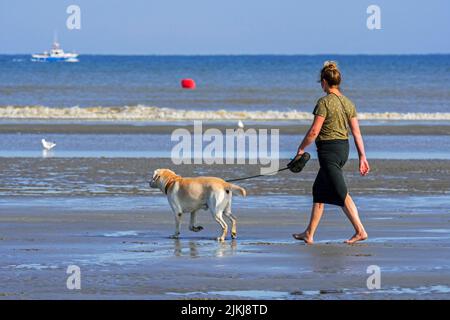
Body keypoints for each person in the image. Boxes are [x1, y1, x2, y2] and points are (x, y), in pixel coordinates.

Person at [292, 61, 370, 245]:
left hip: (329, 152)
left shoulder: (324, 102)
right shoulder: (348, 103)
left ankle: (360, 230)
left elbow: (314, 132)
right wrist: (362, 156)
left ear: (325, 82)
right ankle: (309, 233)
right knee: (319, 191)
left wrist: (301, 148)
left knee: (340, 192)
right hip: (343, 150)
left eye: (321, 82)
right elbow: (356, 133)